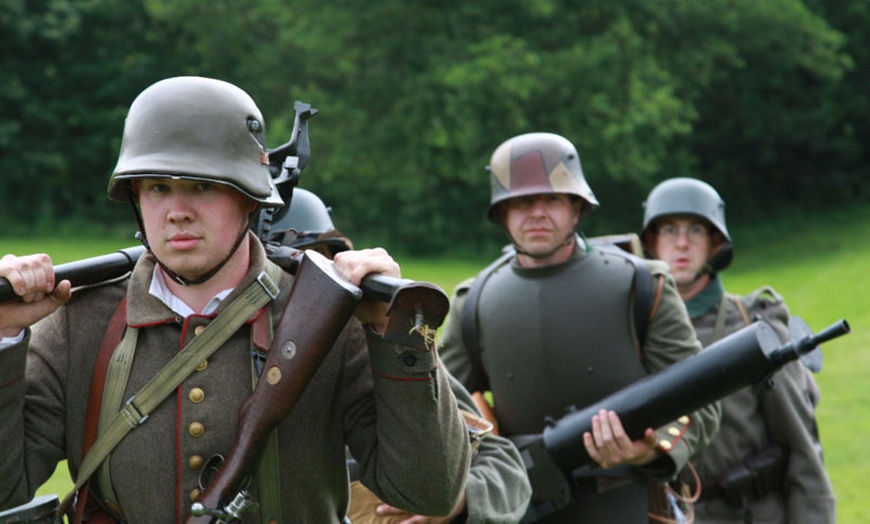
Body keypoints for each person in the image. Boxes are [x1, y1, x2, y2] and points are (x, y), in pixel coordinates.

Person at [0, 76, 471, 523]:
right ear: (135, 198)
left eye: (202, 186)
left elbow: (427, 491)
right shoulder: (80, 323)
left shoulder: (327, 317)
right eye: (158, 188)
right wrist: (4, 338)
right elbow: (6, 490)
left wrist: (398, 336)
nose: (177, 212)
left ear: (250, 198)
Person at [438, 132, 721, 522]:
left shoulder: (642, 286)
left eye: (552, 199)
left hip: (632, 506)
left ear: (577, 208)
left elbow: (701, 398)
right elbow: (438, 409)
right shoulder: (474, 303)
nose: (537, 212)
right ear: (501, 214)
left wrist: (648, 449)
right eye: (520, 202)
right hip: (521, 508)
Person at [273, 187, 533, 523]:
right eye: (294, 268)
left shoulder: (372, 346)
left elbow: (504, 467)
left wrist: (459, 497)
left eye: (321, 265)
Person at [640, 177, 835, 523]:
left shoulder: (753, 324)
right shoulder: (637, 330)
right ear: (652, 242)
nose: (682, 243)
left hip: (751, 512)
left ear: (716, 242)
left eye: (696, 230)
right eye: (669, 229)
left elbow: (801, 447)